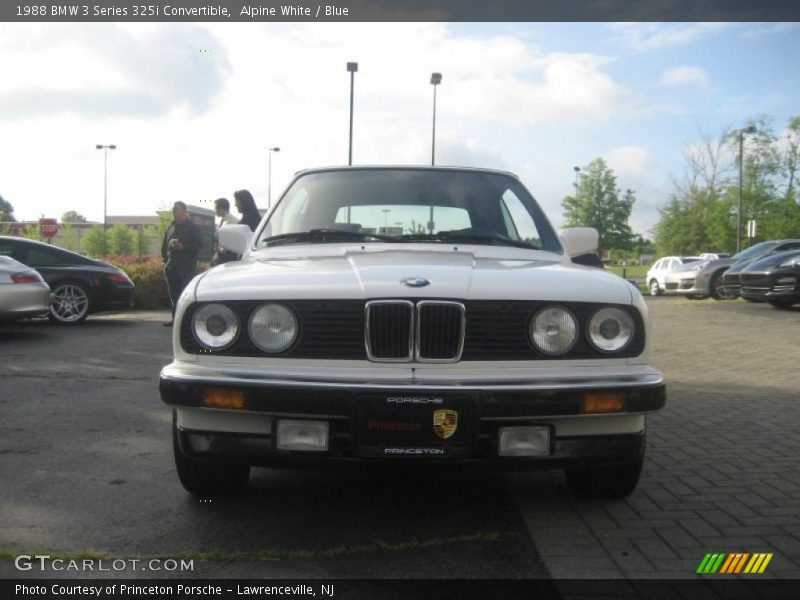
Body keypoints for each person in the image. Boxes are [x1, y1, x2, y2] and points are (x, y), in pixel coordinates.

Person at [161, 201, 201, 326]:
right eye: (173, 209)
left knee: (186, 295)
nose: (174, 211)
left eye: (176, 209)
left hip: (186, 268)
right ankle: (176, 319)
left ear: (184, 211)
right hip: (171, 267)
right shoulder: (171, 227)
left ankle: (187, 322)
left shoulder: (193, 228)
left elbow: (199, 246)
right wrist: (165, 261)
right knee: (174, 295)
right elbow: (164, 246)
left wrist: (182, 246)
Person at [210, 197, 238, 266]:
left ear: (221, 208)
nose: (215, 210)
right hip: (222, 255)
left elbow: (231, 241)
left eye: (216, 208)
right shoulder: (224, 220)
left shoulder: (232, 221)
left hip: (228, 257)